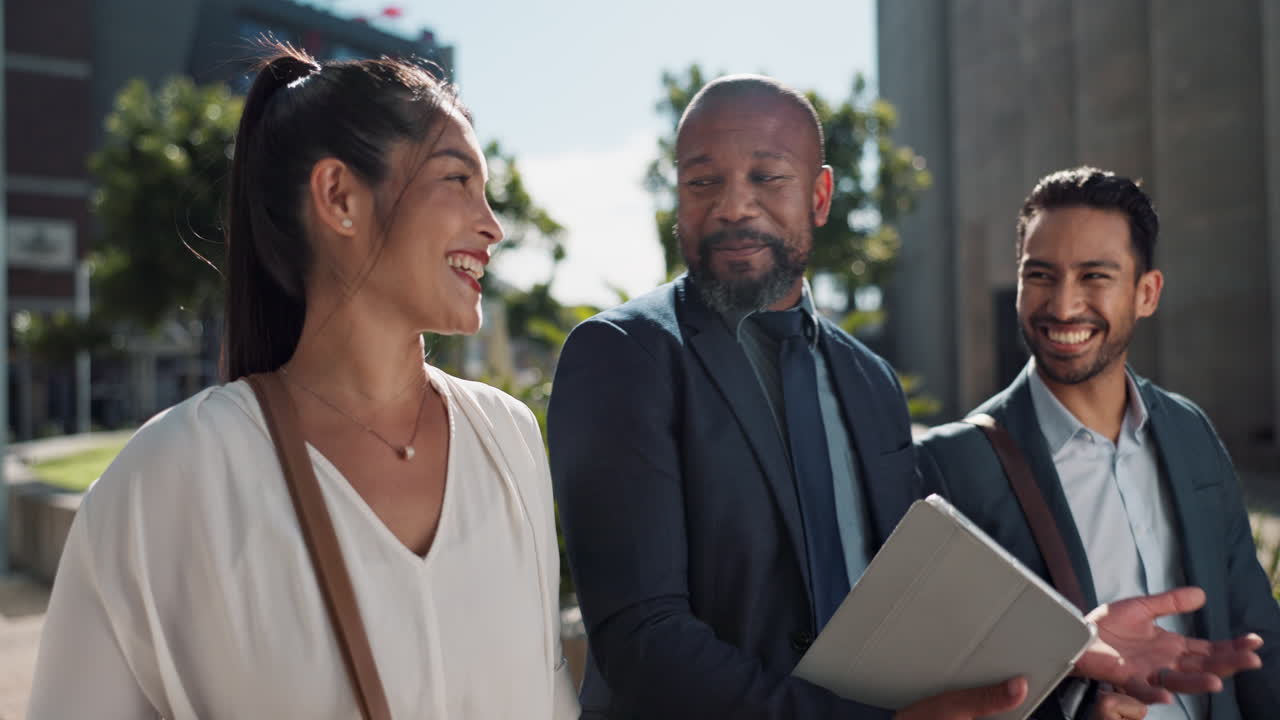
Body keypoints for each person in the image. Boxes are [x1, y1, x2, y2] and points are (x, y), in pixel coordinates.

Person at [549, 78, 1262, 719]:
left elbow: (917, 595)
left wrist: (1070, 645)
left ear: (819, 196)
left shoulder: (870, 381)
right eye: (703, 181)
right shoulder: (623, 355)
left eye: (767, 176)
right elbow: (642, 640)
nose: (733, 205)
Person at [28, 45, 577, 719]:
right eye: (458, 179)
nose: (492, 225)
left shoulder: (510, 441)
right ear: (339, 196)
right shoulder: (173, 475)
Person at [917, 167, 1280, 719]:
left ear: (1146, 293)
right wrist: (1074, 701)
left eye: (1094, 276)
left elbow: (1256, 633)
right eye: (1041, 275)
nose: (1063, 307)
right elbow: (938, 678)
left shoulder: (1191, 432)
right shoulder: (952, 465)